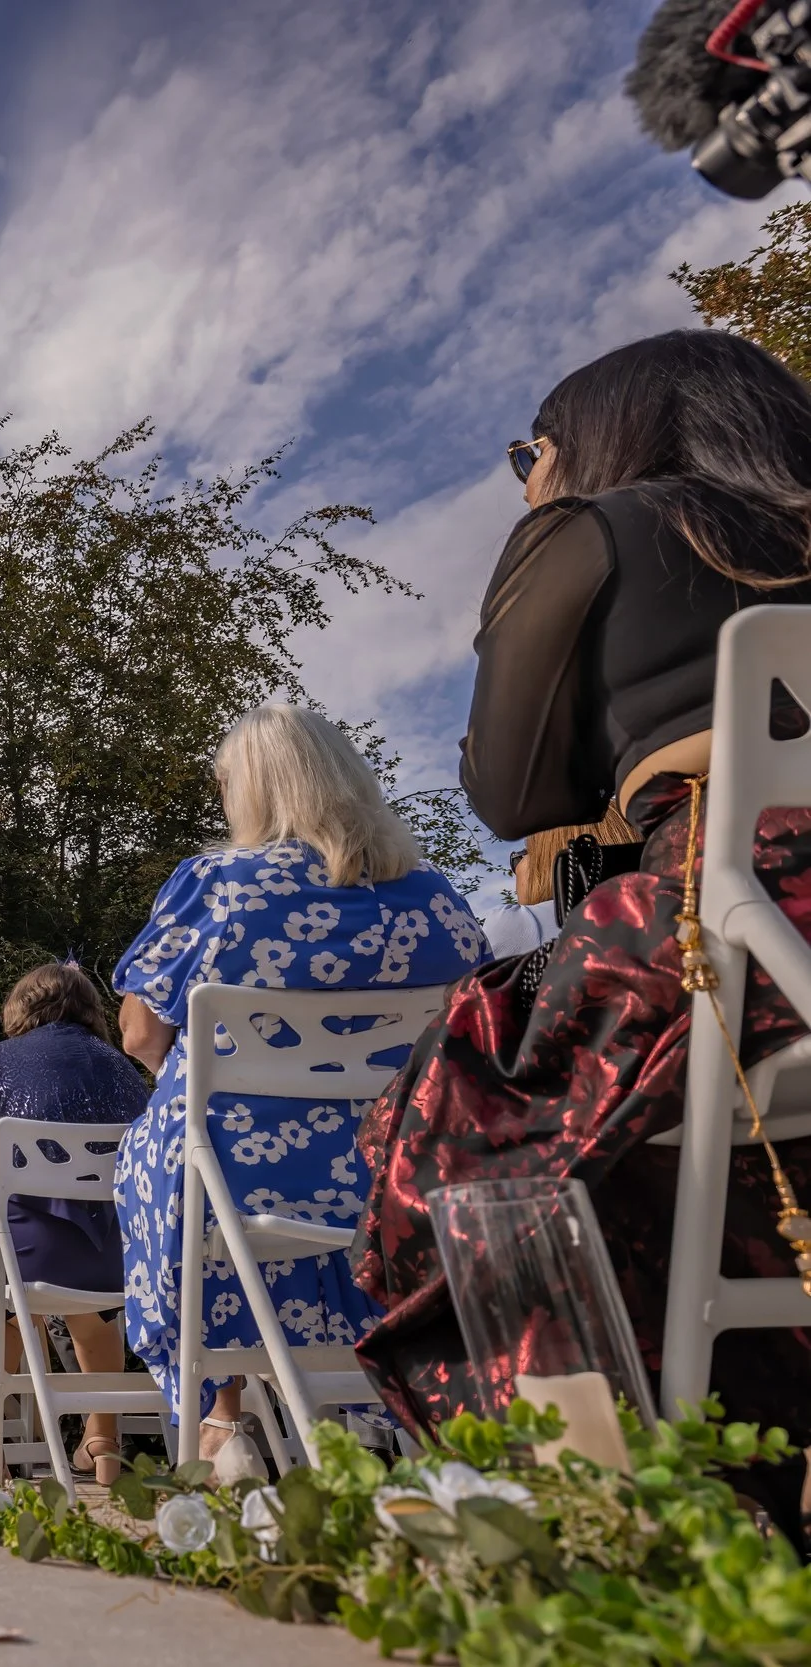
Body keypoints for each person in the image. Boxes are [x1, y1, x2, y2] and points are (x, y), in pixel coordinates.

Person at [358, 332, 811, 1523]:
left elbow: (507, 790)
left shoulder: (592, 529)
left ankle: (605, 1498)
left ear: (598, 434)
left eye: (531, 450)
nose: (521, 480)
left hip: (744, 900)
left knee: (462, 1097)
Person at [112, 703, 488, 1483]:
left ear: (254, 792)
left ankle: (224, 1415)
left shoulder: (216, 886)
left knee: (179, 1149)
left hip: (238, 1183)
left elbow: (141, 1035)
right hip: (403, 1178)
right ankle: (372, 1401)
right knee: (294, 1161)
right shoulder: (439, 904)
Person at [0, 963, 146, 1484]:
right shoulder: (127, 1069)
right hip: (111, 1246)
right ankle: (103, 1441)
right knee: (95, 1315)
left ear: (22, 1006)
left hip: (28, 1246)